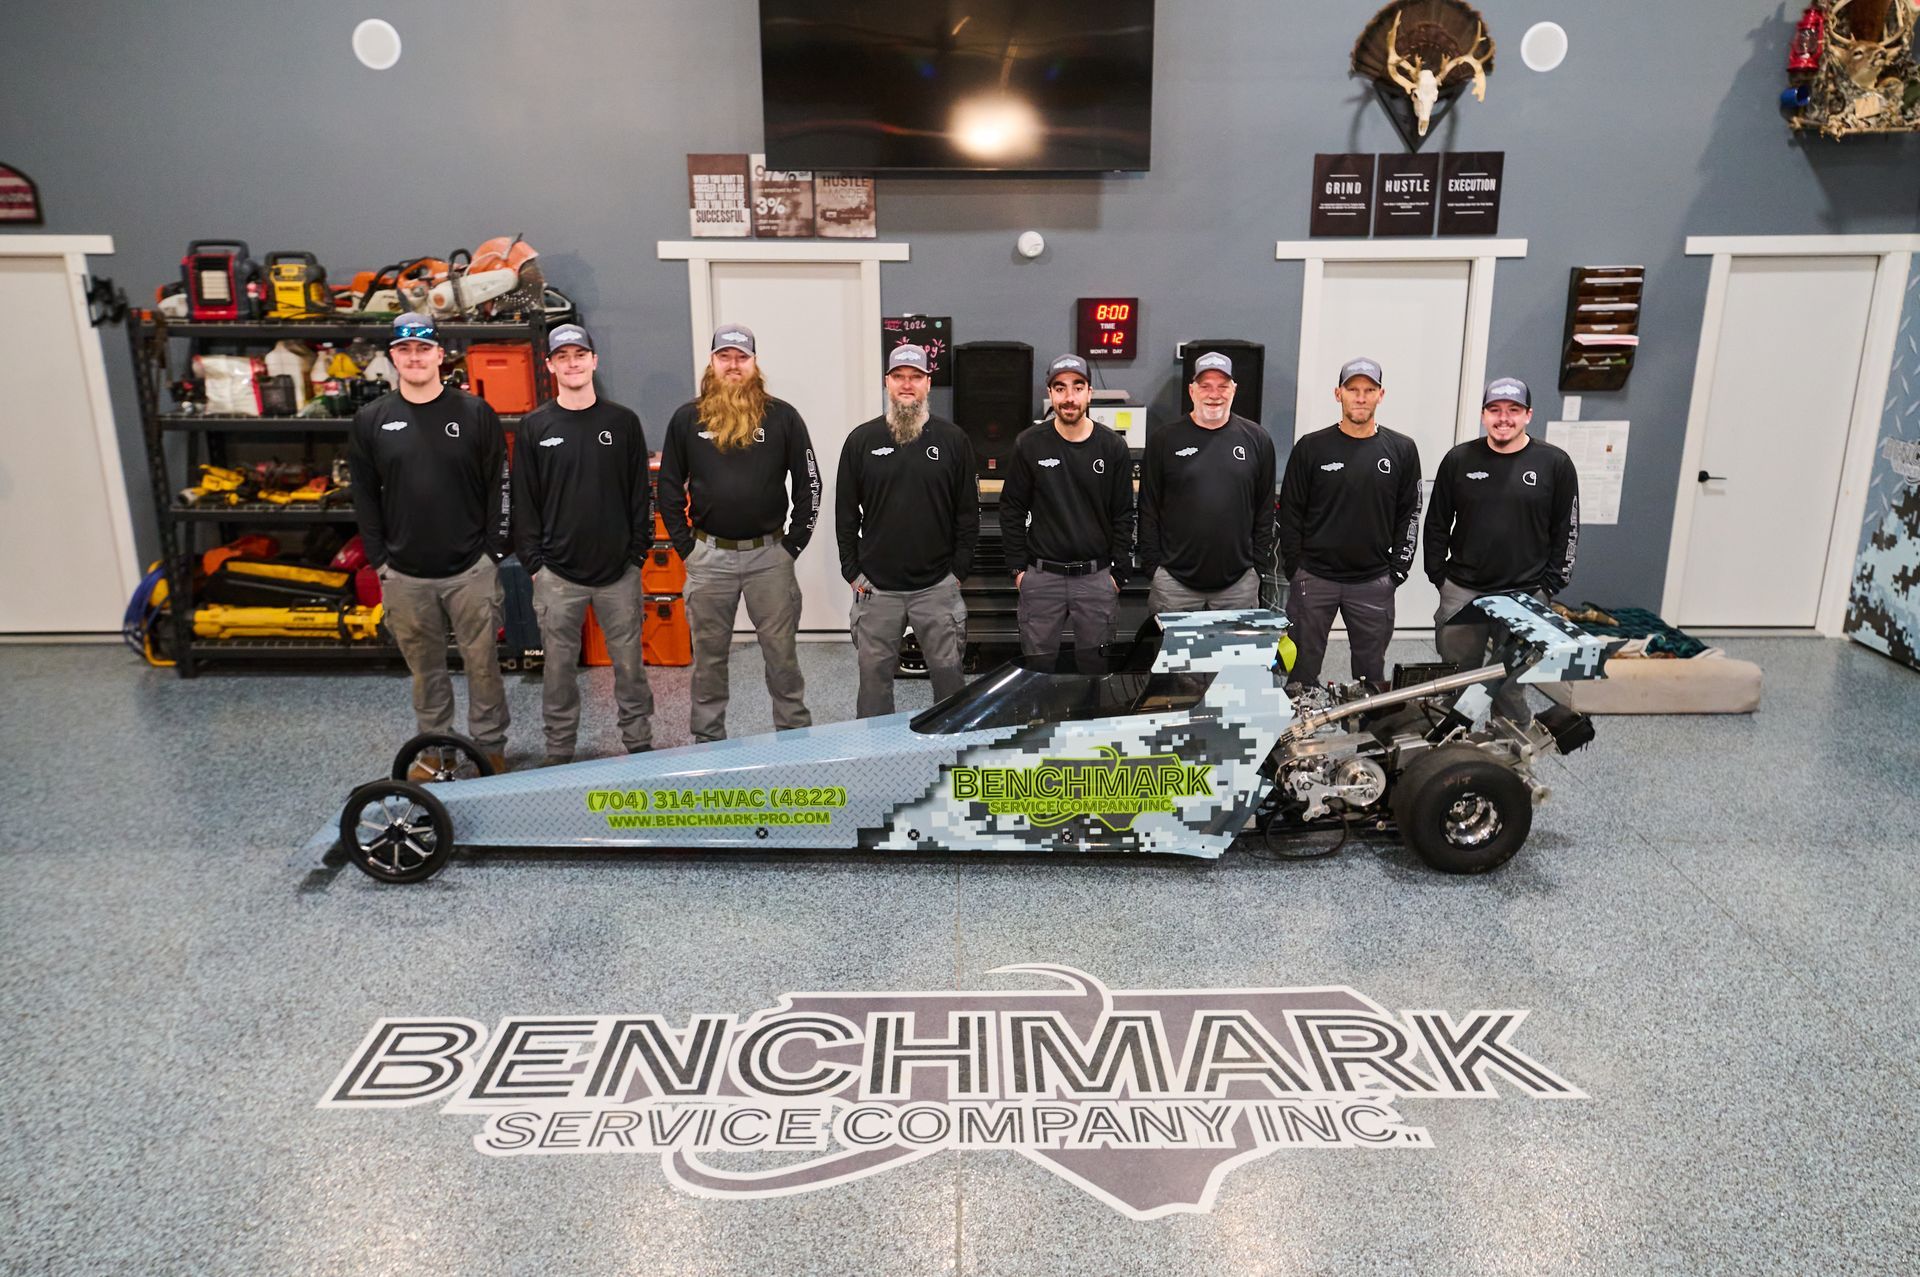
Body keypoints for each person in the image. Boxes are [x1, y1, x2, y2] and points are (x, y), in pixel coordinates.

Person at [347, 312, 511, 773]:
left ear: (441, 354)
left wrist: (494, 551)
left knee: (483, 666)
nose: (415, 358)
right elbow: (363, 496)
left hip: (471, 570)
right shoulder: (372, 419)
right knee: (426, 672)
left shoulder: (475, 413)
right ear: (393, 358)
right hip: (404, 574)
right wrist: (379, 560)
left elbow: (500, 483)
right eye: (405, 350)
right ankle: (435, 752)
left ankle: (489, 748)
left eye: (424, 349)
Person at [656, 324, 820, 742]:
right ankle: (708, 744)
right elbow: (669, 488)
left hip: (770, 558)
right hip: (709, 559)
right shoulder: (686, 419)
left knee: (782, 658)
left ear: (754, 363)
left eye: (741, 357)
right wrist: (686, 547)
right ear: (712, 362)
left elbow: (810, 484)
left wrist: (793, 545)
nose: (733, 364)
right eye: (725, 356)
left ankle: (795, 740)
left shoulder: (783, 417)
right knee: (709, 661)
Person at [512, 324, 655, 764]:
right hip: (557, 576)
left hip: (619, 574)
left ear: (594, 360)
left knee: (630, 667)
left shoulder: (622, 423)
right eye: (563, 356)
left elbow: (639, 494)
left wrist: (636, 555)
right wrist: (535, 563)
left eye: (580, 354)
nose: (572, 362)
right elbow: (524, 502)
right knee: (557, 672)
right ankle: (559, 752)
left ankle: (640, 746)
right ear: (550, 364)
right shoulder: (535, 426)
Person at [1424, 376, 1581, 722]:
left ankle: (1509, 765)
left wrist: (1551, 585)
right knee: (1455, 680)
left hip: (1526, 593)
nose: (1503, 418)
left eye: (1513, 410)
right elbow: (1436, 522)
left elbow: (1566, 529)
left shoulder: (1554, 464)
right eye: (1494, 410)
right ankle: (1449, 758)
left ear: (1528, 415)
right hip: (1464, 590)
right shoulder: (1459, 459)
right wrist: (1440, 576)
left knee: (1511, 685)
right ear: (1483, 415)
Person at [836, 344, 980, 717]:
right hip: (876, 588)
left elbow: (967, 513)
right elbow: (846, 513)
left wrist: (957, 573)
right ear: (887, 382)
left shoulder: (953, 440)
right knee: (873, 685)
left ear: (927, 383)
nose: (906, 384)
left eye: (915, 377)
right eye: (899, 376)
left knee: (949, 683)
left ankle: (950, 757)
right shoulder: (861, 441)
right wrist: (851, 570)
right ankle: (875, 759)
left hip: (937, 587)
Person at [1276, 356, 1422, 690]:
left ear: (1381, 395)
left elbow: (1409, 513)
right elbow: (1290, 512)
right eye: (1352, 389)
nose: (1360, 397)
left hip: (1373, 581)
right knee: (1300, 674)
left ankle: (1368, 739)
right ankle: (1298, 736)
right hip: (1313, 579)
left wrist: (1398, 570)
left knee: (1371, 677)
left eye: (1369, 390)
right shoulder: (1312, 447)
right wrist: (1295, 567)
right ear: (1337, 393)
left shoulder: (1401, 449)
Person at [999, 353, 1134, 668]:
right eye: (1059, 388)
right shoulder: (1029, 444)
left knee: (1096, 674)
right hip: (1042, 578)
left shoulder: (1112, 447)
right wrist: (1019, 571)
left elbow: (1124, 514)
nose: (1069, 397)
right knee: (1037, 673)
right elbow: (1012, 509)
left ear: (1090, 393)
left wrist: (1117, 575)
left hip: (1096, 578)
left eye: (1077, 387)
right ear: (1050, 394)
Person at [1139, 351, 1277, 615]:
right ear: (1192, 391)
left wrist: (1256, 566)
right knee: (1177, 658)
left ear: (1234, 390)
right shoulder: (1164, 440)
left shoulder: (1257, 440)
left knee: (1234, 658)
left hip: (1238, 585)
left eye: (1222, 386)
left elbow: (1264, 509)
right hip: (1174, 584)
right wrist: (1153, 568)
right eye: (1205, 386)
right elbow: (1149, 509)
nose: (1214, 394)